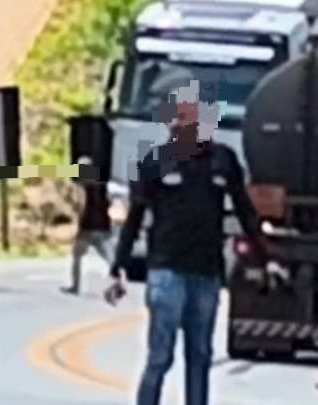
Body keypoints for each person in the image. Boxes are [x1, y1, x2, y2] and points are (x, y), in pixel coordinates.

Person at [106, 83, 269, 405]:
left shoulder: (223, 160)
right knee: (160, 356)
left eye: (185, 118)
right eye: (175, 119)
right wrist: (118, 267)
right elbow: (136, 216)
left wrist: (265, 257)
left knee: (200, 355)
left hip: (206, 273)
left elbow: (244, 211)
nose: (178, 125)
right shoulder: (155, 160)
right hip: (166, 270)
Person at [62, 155, 114, 295]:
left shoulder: (80, 186)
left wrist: (78, 222)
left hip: (87, 227)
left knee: (77, 256)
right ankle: (118, 285)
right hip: (103, 226)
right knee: (110, 259)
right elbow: (109, 203)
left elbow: (80, 205)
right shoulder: (102, 186)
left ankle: (75, 286)